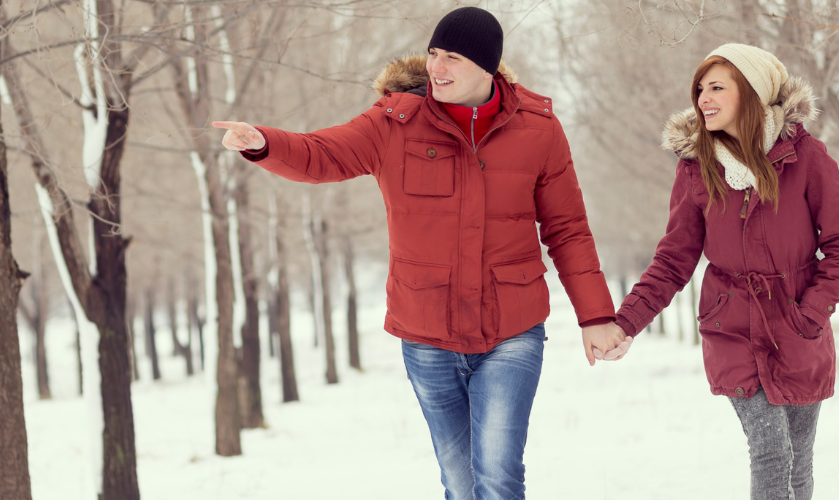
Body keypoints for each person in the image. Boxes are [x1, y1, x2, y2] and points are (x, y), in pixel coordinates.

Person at [212, 7, 623, 499]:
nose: (437, 67)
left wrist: (596, 315)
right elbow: (324, 153)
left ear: (487, 67)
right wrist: (263, 144)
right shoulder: (393, 122)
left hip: (512, 329)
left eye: (452, 57)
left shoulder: (538, 127)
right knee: (459, 480)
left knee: (498, 474)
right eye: (433, 54)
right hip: (427, 332)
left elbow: (568, 228)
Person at [590, 44, 839, 500]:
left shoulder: (808, 158)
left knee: (799, 461)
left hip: (797, 327)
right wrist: (626, 323)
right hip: (732, 326)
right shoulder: (696, 169)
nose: (703, 99)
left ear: (752, 93)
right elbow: (674, 258)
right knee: (772, 452)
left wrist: (811, 313)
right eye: (700, 89)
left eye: (717, 87)